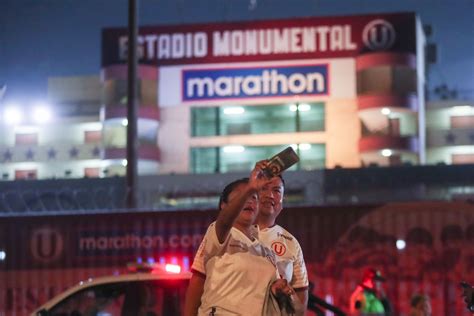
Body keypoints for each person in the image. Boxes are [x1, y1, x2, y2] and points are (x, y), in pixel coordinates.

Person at [184, 163, 299, 315]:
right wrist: (251, 187)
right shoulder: (219, 233)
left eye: (254, 197)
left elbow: (288, 301)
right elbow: (224, 222)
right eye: (242, 195)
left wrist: (279, 290)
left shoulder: (266, 252)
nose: (250, 200)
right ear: (224, 206)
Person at [257, 174, 309, 309]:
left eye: (276, 191)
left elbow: (301, 299)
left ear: (282, 201)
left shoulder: (291, 243)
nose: (270, 195)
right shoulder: (231, 233)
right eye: (264, 188)